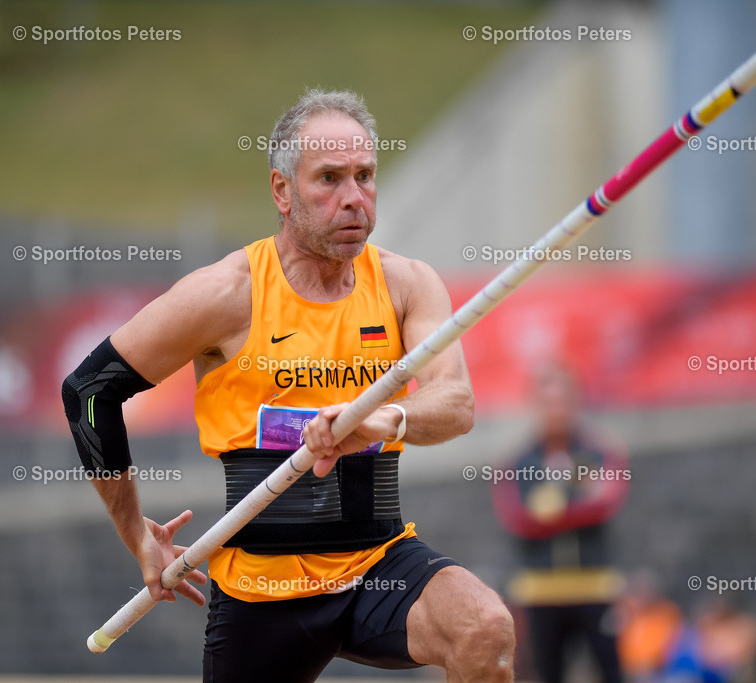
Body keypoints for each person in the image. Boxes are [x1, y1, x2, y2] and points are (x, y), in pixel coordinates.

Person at [62, 89, 514, 682]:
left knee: (485, 629)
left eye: (365, 176)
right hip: (260, 588)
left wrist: (385, 420)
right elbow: (90, 391)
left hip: (376, 564)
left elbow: (456, 404)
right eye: (329, 178)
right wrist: (135, 534)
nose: (354, 198)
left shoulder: (407, 285)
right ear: (282, 190)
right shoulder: (227, 293)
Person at [492, 361, 630, 683]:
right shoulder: (516, 460)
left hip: (595, 586)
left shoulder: (600, 450)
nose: (556, 410)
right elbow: (518, 518)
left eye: (563, 401)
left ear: (576, 403)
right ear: (535, 406)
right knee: (547, 674)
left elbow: (606, 501)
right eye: (548, 402)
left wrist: (552, 502)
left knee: (613, 672)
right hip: (540, 592)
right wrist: (578, 492)